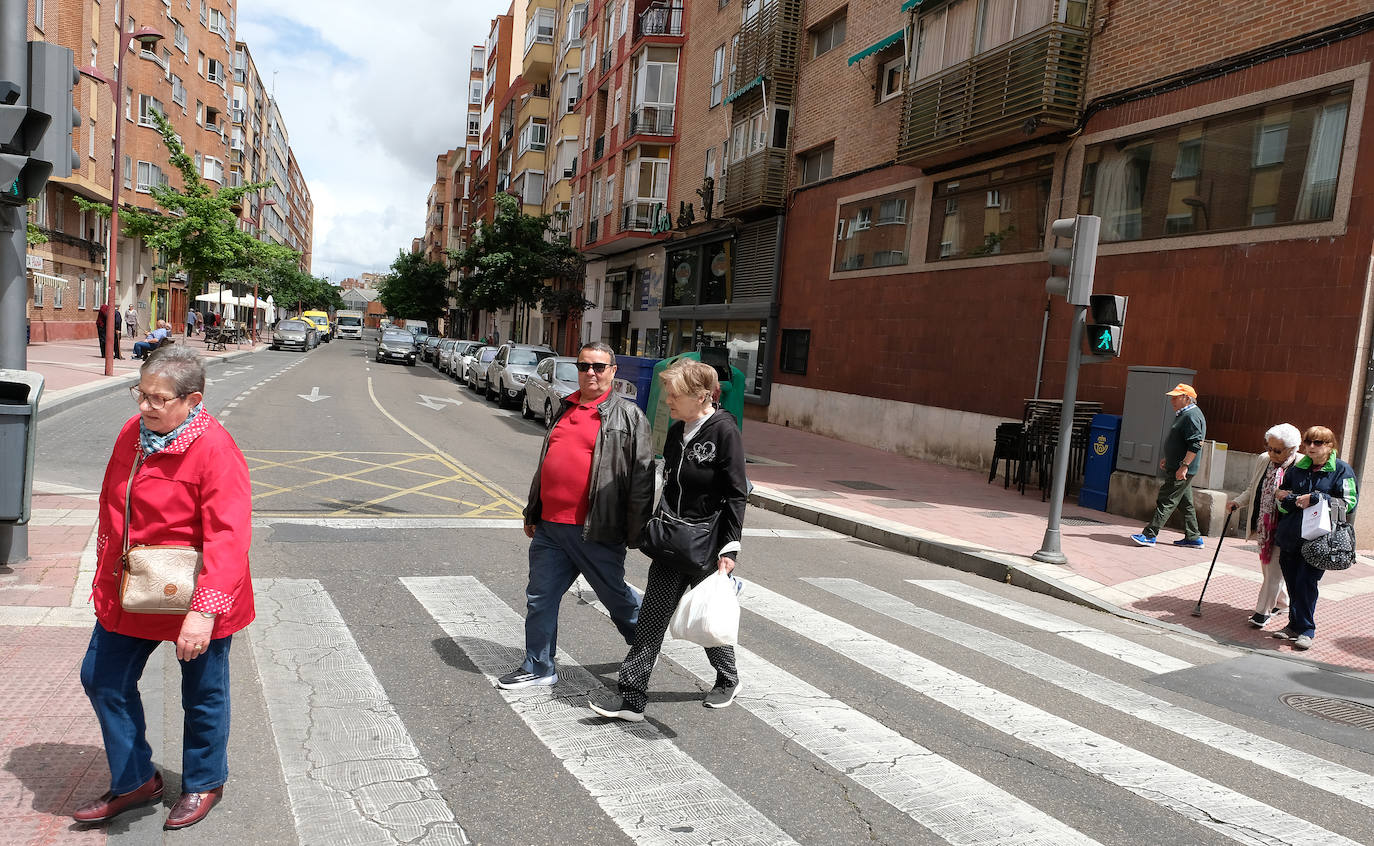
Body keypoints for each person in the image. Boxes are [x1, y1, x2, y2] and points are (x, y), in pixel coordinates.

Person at [74, 345, 253, 830]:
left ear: (192, 399)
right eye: (141, 394)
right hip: (134, 589)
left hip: (194, 597)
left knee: (203, 695)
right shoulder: (134, 433)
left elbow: (229, 536)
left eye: (158, 399)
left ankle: (204, 781)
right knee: (103, 679)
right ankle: (135, 780)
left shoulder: (215, 449)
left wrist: (204, 611)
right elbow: (115, 506)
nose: (145, 406)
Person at [589, 359, 747, 721]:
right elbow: (668, 485)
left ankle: (728, 677)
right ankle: (631, 698)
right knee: (652, 618)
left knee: (705, 615)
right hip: (671, 538)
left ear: (702, 395)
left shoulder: (724, 431)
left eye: (675, 395)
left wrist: (730, 546)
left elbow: (736, 493)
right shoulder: (678, 431)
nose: (668, 402)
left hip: (707, 543)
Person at [497, 341, 653, 689]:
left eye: (599, 367)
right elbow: (546, 465)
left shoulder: (629, 417)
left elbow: (642, 479)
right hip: (551, 527)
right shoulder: (565, 408)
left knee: (617, 600)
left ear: (613, 371)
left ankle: (647, 645)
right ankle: (539, 666)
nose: (591, 373)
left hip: (595, 529)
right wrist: (532, 509)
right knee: (540, 597)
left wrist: (635, 531)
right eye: (584, 367)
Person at [1271, 426, 1357, 650]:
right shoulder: (1298, 468)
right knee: (1291, 580)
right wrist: (1287, 497)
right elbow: (1284, 493)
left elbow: (1349, 502)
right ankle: (1293, 624)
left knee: (1307, 582)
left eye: (1318, 443)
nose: (1311, 447)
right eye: (1308, 442)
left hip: (1319, 540)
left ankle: (1307, 629)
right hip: (1291, 534)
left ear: (1330, 446)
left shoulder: (1341, 470)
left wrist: (1318, 498)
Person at [1226, 424, 1299, 627]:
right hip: (1265, 526)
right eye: (1269, 447)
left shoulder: (1302, 464)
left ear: (1292, 449)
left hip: (1286, 527)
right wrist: (1237, 502)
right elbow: (1253, 488)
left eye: (1277, 450)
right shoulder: (1263, 459)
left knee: (1273, 571)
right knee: (1270, 569)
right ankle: (1282, 602)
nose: (1271, 453)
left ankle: (1262, 612)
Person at [1131, 384, 1206, 547]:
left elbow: (1195, 444)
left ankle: (1150, 534)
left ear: (1186, 397)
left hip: (1181, 469)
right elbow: (1181, 442)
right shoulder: (1185, 414)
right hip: (1178, 466)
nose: (1172, 400)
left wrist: (1184, 466)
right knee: (1185, 503)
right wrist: (1170, 458)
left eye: (1175, 397)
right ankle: (1193, 537)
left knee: (1167, 499)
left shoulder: (1191, 416)